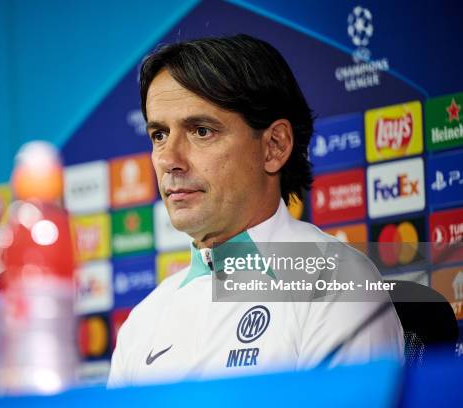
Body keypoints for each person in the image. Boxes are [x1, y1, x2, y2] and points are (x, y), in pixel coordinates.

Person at [108, 34, 403, 387]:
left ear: (274, 146)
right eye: (159, 135)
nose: (169, 160)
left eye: (201, 131)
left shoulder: (337, 283)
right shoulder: (142, 324)